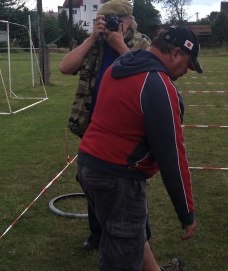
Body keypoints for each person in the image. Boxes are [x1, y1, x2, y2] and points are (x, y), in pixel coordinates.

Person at [76, 25, 202, 271]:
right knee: (121, 258)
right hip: (118, 178)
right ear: (175, 53)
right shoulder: (157, 83)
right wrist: (186, 212)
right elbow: (172, 157)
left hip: (89, 166)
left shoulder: (121, 66)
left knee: (130, 234)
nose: (187, 72)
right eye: (188, 64)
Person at [60, 0, 152, 253]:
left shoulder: (142, 44)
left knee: (129, 186)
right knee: (93, 181)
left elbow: (150, 75)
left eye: (115, 21)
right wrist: (92, 38)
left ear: (127, 21)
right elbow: (65, 67)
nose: (110, 25)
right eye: (104, 20)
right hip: (93, 124)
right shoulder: (95, 44)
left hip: (126, 128)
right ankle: (97, 233)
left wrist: (120, 45)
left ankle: (139, 236)